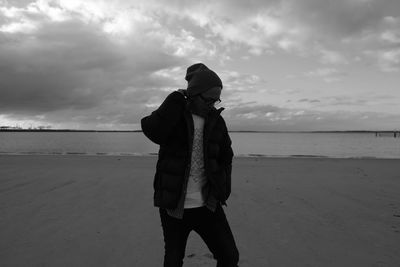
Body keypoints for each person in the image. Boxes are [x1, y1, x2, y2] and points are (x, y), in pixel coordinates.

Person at [141, 63, 239, 267]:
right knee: (174, 259)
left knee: (229, 256)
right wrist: (173, 100)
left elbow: (226, 156)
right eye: (208, 99)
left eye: (216, 99)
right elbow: (153, 131)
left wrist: (223, 188)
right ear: (194, 94)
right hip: (175, 206)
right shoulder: (175, 115)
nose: (212, 104)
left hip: (208, 205)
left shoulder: (216, 120)